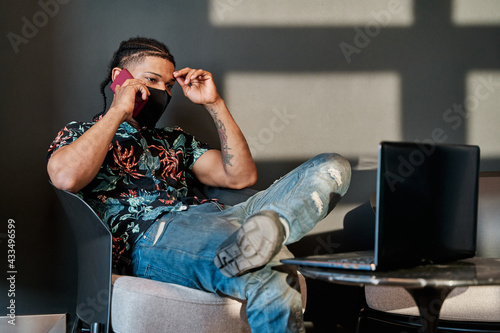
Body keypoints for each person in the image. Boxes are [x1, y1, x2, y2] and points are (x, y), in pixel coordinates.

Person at [47, 37, 351, 332]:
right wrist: (119, 111)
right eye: (151, 80)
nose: (161, 92)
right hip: (157, 236)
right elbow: (65, 177)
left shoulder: (174, 139)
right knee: (273, 275)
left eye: (167, 86)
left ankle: (272, 229)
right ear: (119, 78)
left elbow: (241, 176)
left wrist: (214, 103)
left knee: (333, 166)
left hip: (225, 217)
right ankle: (258, 244)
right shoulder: (82, 133)